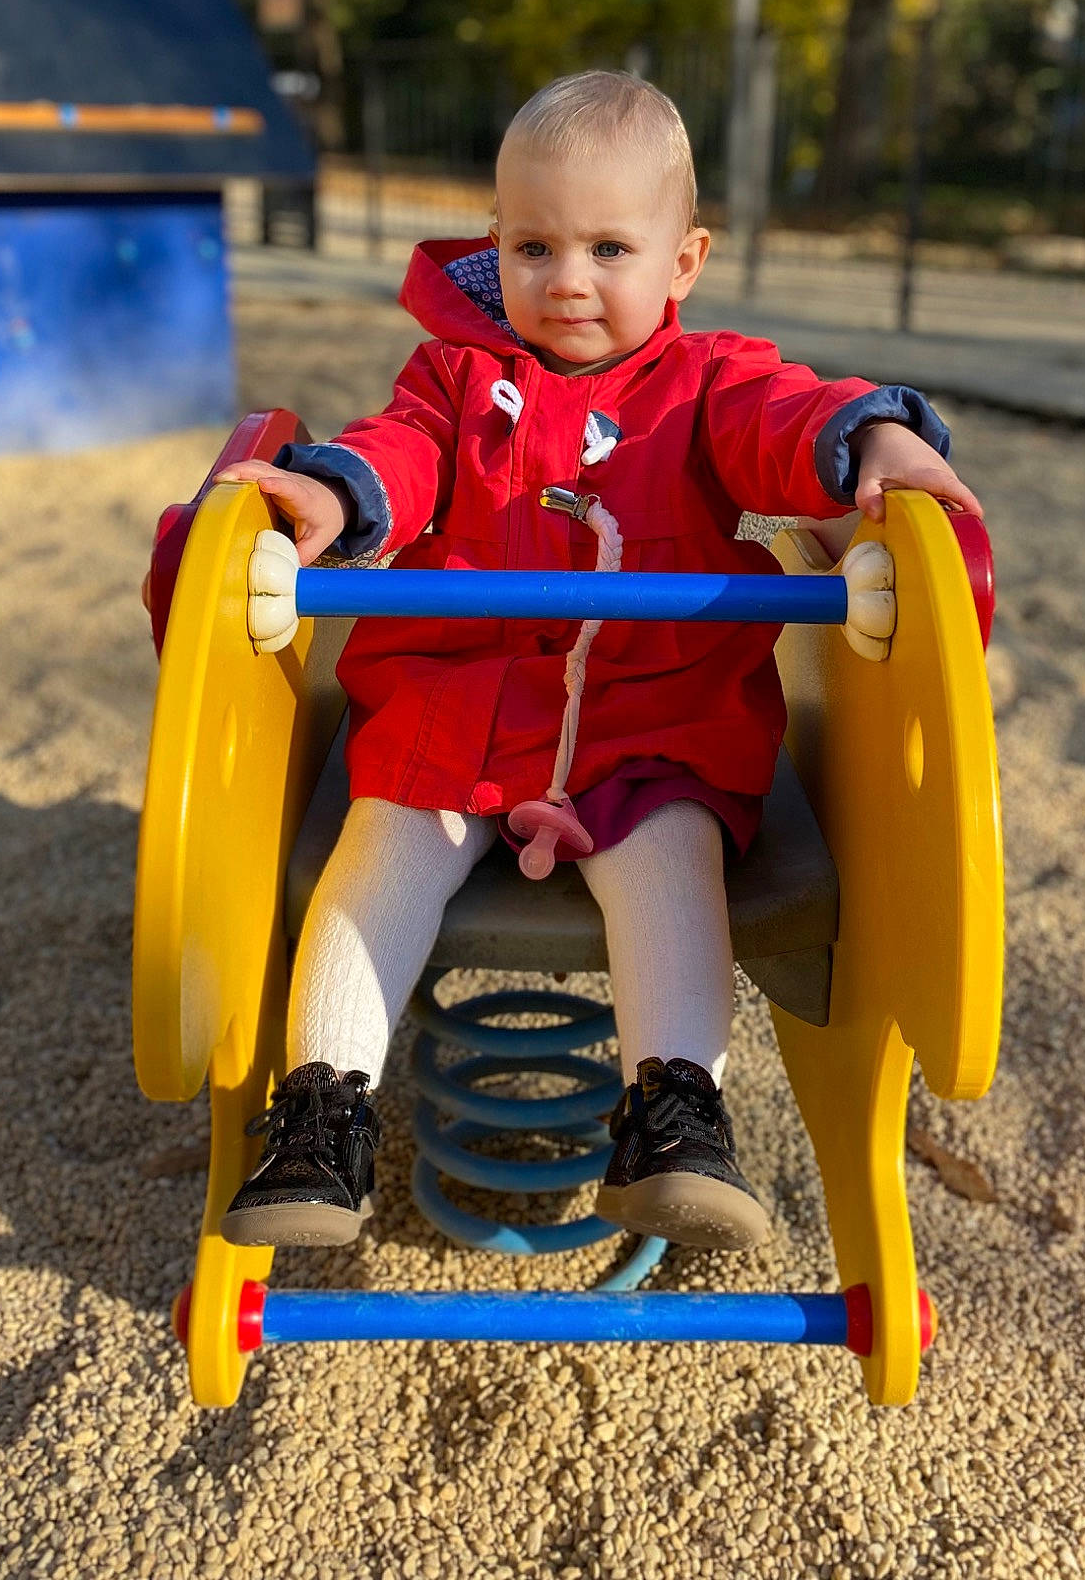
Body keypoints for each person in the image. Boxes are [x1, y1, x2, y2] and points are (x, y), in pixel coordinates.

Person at [206, 71, 981, 1254]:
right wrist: (336, 489)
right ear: (497, 246)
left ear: (684, 259)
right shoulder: (458, 379)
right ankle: (320, 1112)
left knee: (672, 863)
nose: (567, 279)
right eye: (533, 245)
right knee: (381, 851)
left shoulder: (709, 382)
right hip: (458, 703)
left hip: (652, 717)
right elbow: (399, 454)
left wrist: (871, 434)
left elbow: (786, 414)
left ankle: (674, 1110)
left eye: (610, 245)